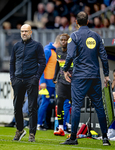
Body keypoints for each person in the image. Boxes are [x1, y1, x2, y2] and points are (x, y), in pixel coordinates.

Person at [61, 11, 110, 146]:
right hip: (94, 76)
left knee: (76, 106)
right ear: (88, 21)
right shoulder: (96, 36)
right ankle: (105, 138)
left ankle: (73, 138)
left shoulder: (74, 36)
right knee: (99, 106)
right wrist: (106, 75)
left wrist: (65, 70)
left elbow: (70, 55)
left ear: (76, 22)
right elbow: (104, 57)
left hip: (80, 77)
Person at [10, 24, 46, 142]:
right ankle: (20, 130)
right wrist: (12, 78)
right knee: (16, 106)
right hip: (18, 80)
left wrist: (36, 77)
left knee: (32, 107)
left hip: (31, 79)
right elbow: (12, 63)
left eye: (26, 31)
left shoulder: (37, 46)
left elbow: (42, 63)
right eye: (22, 31)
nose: (24, 33)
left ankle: (32, 134)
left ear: (31, 32)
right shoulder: (16, 46)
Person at [37, 34, 61, 131]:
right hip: (46, 82)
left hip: (55, 82)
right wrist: (42, 81)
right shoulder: (47, 50)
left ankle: (58, 125)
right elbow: (41, 66)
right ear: (59, 42)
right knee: (45, 102)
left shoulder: (55, 52)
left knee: (58, 103)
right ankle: (39, 124)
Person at [53, 33, 72, 136]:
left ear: (68, 41)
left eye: (65, 40)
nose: (63, 41)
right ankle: (60, 128)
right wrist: (54, 76)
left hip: (72, 81)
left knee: (74, 105)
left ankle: (72, 127)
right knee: (59, 102)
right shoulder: (58, 50)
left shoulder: (73, 51)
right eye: (61, 40)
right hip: (61, 81)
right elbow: (57, 63)